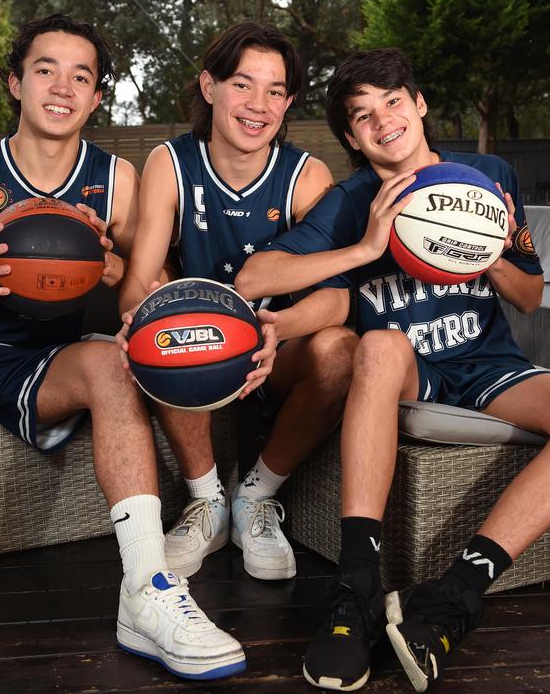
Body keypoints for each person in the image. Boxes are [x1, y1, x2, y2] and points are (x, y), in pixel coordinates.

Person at [0, 13, 246, 693]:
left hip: (48, 365)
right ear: (16, 83)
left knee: (117, 358)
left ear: (95, 98)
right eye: (45, 69)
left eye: (80, 75)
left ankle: (147, 588)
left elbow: (148, 301)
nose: (62, 86)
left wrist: (112, 266)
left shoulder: (116, 181)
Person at [235, 48, 549, 692]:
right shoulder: (352, 201)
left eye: (393, 103)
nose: (383, 122)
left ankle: (453, 594)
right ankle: (357, 589)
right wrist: (369, 247)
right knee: (376, 345)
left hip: (486, 364)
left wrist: (477, 243)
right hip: (404, 367)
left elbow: (526, 293)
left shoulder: (488, 176)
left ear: (419, 103)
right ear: (352, 136)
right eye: (363, 115)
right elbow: (253, 276)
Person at [119, 21, 357, 585]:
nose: (259, 105)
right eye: (243, 85)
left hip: (271, 353)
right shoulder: (169, 163)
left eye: (275, 91)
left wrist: (281, 328)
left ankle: (256, 495)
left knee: (343, 348)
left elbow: (340, 297)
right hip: (195, 347)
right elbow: (137, 278)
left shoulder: (306, 176)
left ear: (289, 102)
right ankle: (209, 503)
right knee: (164, 317)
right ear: (209, 87)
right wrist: (140, 310)